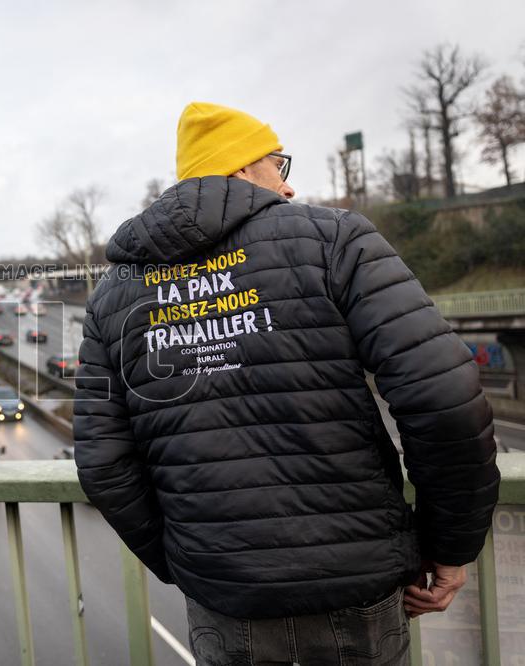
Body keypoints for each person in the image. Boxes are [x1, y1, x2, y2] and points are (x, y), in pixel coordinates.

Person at [72, 101, 501, 665]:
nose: (289, 186)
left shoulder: (113, 294)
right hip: (356, 583)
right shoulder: (334, 240)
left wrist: (190, 560)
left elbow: (102, 462)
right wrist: (448, 545)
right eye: (279, 164)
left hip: (226, 599)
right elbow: (444, 400)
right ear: (241, 168)